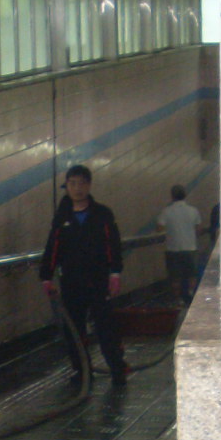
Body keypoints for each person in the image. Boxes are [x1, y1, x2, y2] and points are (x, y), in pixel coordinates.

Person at [40, 163, 129, 383]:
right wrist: (46, 276)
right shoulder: (62, 216)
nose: (77, 188)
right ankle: (82, 370)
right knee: (74, 329)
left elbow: (113, 245)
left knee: (105, 326)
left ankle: (117, 368)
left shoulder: (102, 214)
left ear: (89, 185)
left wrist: (115, 273)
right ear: (67, 186)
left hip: (98, 280)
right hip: (71, 281)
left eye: (81, 183)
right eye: (72, 184)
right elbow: (53, 248)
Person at [157, 183, 204, 300]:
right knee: (192, 275)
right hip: (190, 248)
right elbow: (198, 230)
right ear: (185, 195)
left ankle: (178, 300)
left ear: (172, 196)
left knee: (175, 277)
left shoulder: (166, 211)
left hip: (172, 249)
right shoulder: (193, 211)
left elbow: (159, 228)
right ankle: (191, 294)